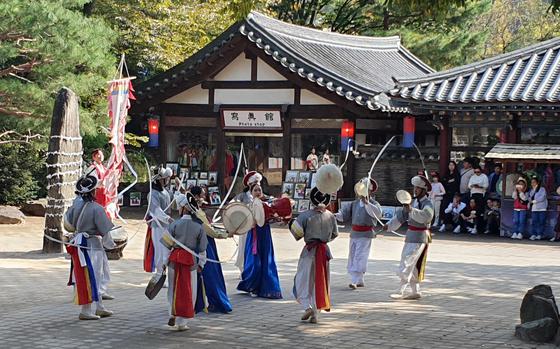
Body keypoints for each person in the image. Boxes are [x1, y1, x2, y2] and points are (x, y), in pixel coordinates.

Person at [64, 174, 114, 320]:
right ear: (93, 192)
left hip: (80, 244)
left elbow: (68, 224)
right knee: (93, 276)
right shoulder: (97, 209)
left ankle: (99, 307)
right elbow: (105, 232)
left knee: (93, 275)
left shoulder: (75, 205)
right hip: (92, 246)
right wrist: (111, 245)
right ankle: (86, 310)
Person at [292, 186, 338, 324]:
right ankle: (316, 313)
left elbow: (296, 233)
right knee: (319, 281)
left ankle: (307, 307)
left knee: (302, 280)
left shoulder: (305, 215)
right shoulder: (330, 216)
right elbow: (334, 234)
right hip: (324, 252)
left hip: (309, 252)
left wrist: (289, 223)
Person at [384, 175, 434, 300]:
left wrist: (411, 210)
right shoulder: (412, 202)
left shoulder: (428, 203)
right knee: (412, 263)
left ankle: (401, 289)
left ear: (423, 190)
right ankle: (415, 290)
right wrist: (389, 225)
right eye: (414, 188)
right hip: (411, 235)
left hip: (419, 236)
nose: (415, 190)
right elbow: (400, 216)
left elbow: (426, 217)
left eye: (418, 188)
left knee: (407, 261)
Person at [166, 192, 208, 331]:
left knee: (172, 288)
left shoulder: (175, 224)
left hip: (174, 259)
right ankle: (182, 322)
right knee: (189, 290)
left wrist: (163, 264)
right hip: (190, 261)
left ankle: (172, 312)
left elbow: (167, 245)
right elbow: (202, 249)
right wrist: (201, 264)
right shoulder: (199, 226)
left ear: (183, 208)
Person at [190, 186, 233, 314]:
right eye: (202, 195)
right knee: (209, 274)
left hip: (206, 244)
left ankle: (201, 302)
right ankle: (214, 302)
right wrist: (225, 234)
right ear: (196, 197)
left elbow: (210, 227)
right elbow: (209, 230)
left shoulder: (198, 210)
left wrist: (225, 231)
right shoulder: (195, 212)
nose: (204, 197)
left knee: (207, 274)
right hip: (204, 245)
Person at [237, 182, 282, 299]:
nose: (258, 192)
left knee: (266, 260)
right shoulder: (250, 205)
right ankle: (252, 285)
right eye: (255, 190)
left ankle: (265, 287)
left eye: (259, 190)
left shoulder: (267, 203)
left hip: (264, 234)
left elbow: (271, 216)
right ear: (251, 193)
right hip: (253, 235)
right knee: (254, 261)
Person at [335, 178, 382, 289]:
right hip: (354, 232)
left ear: (370, 191)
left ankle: (355, 280)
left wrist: (368, 204)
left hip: (365, 233)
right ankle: (359, 279)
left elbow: (378, 214)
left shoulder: (374, 204)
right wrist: (333, 215)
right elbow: (343, 215)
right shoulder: (354, 203)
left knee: (360, 255)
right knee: (353, 255)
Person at [86, 149, 114, 300]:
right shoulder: (92, 169)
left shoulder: (103, 168)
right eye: (97, 154)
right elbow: (93, 184)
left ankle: (101, 290)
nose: (100, 156)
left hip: (102, 205)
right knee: (95, 266)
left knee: (103, 265)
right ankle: (94, 292)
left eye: (101, 154)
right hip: (90, 238)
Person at [144, 166, 173, 280]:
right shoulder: (153, 194)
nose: (168, 180)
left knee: (167, 250)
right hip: (158, 226)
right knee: (161, 251)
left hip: (166, 226)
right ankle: (160, 274)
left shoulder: (166, 192)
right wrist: (167, 219)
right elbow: (155, 211)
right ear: (160, 179)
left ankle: (164, 273)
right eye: (166, 178)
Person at [233, 171, 262, 277]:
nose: (258, 185)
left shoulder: (261, 195)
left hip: (258, 227)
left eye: (258, 182)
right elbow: (233, 206)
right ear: (250, 184)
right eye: (255, 182)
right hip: (245, 226)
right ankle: (243, 269)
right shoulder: (242, 196)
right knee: (244, 247)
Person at [528, 177, 548, 241]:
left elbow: (542, 197)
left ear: (537, 182)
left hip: (542, 208)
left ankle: (540, 234)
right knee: (534, 222)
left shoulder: (542, 189)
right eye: (531, 182)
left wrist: (534, 201)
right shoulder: (531, 190)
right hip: (534, 208)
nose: (532, 183)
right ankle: (533, 234)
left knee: (541, 222)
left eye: (534, 182)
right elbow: (529, 198)